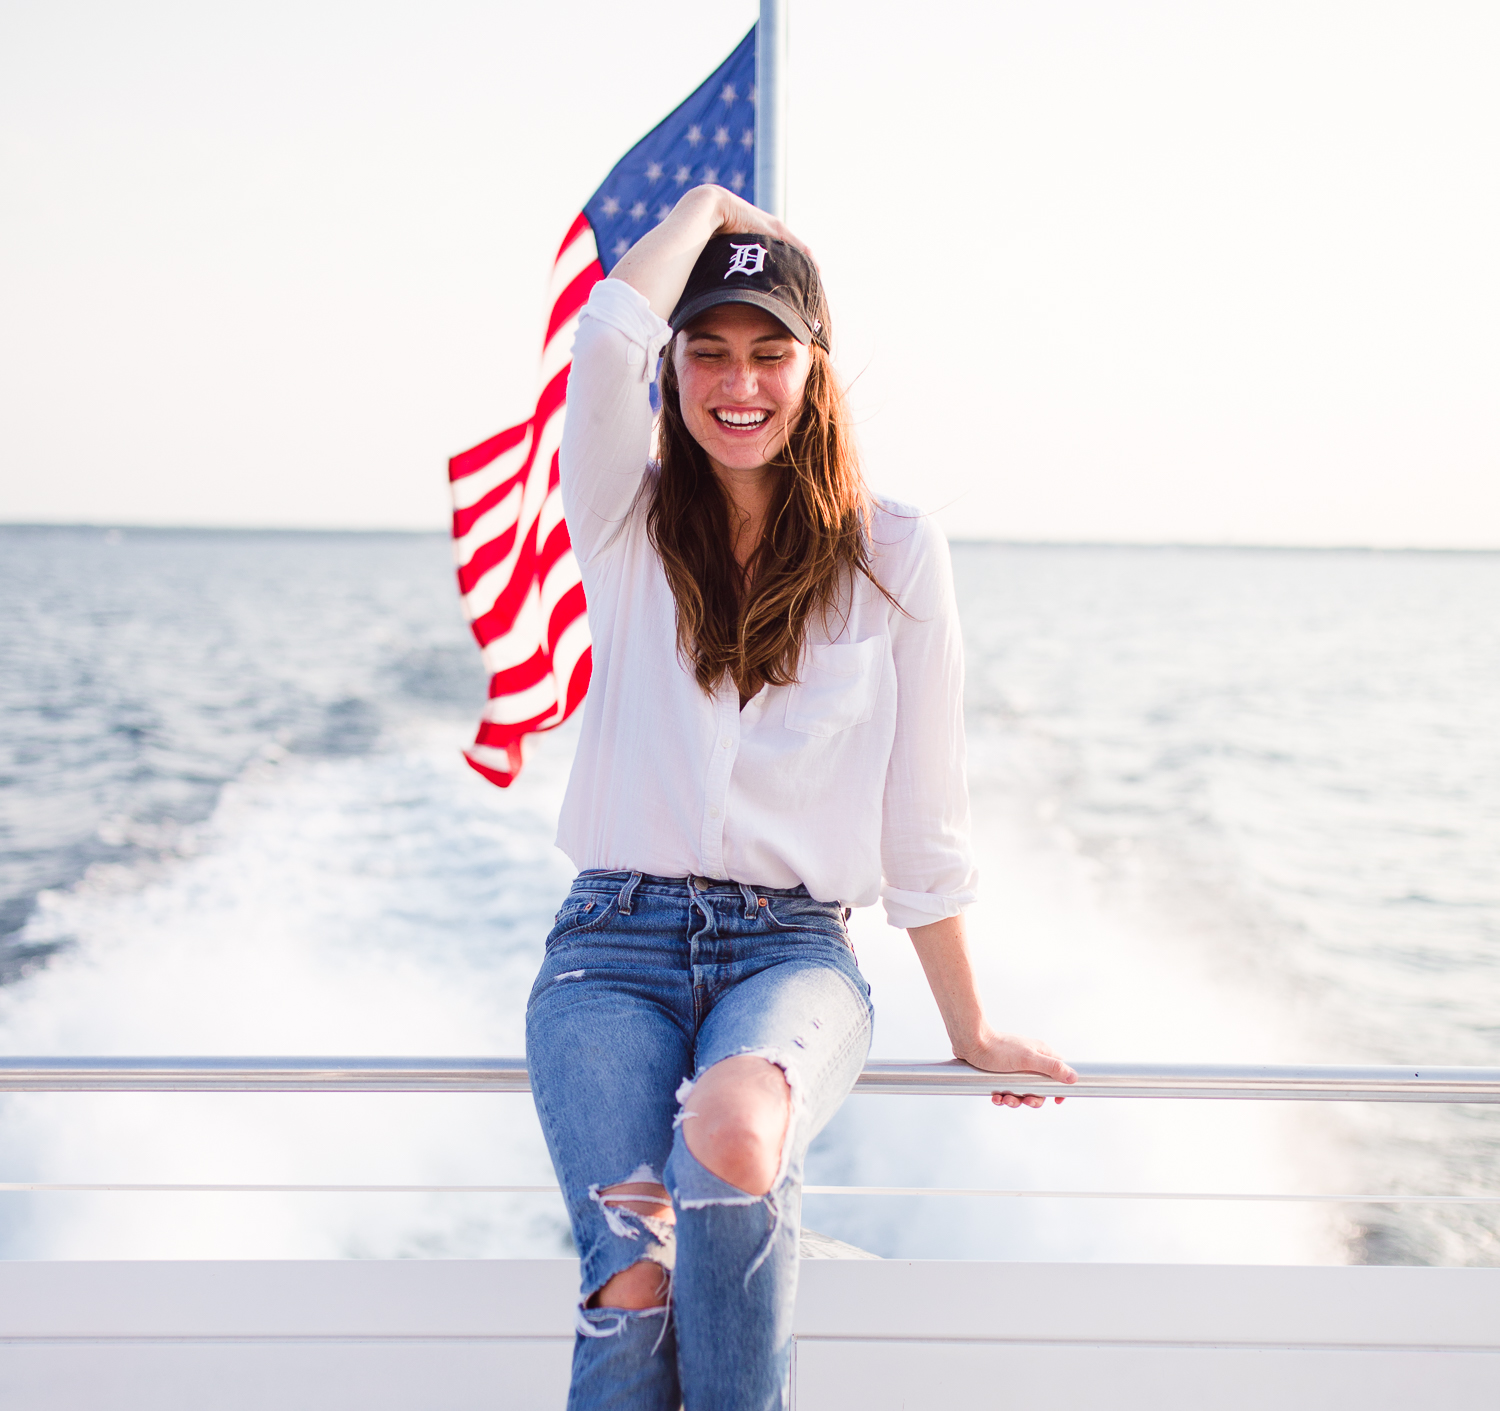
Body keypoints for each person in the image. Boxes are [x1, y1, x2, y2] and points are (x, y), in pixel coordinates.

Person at [525, 184, 1076, 1411]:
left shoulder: (895, 550)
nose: (739, 382)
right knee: (634, 1280)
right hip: (610, 946)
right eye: (709, 352)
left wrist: (971, 1025)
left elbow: (924, 820)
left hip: (791, 952)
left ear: (815, 366)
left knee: (734, 1132)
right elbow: (605, 337)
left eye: (770, 352)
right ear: (676, 370)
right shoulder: (622, 520)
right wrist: (707, 206)